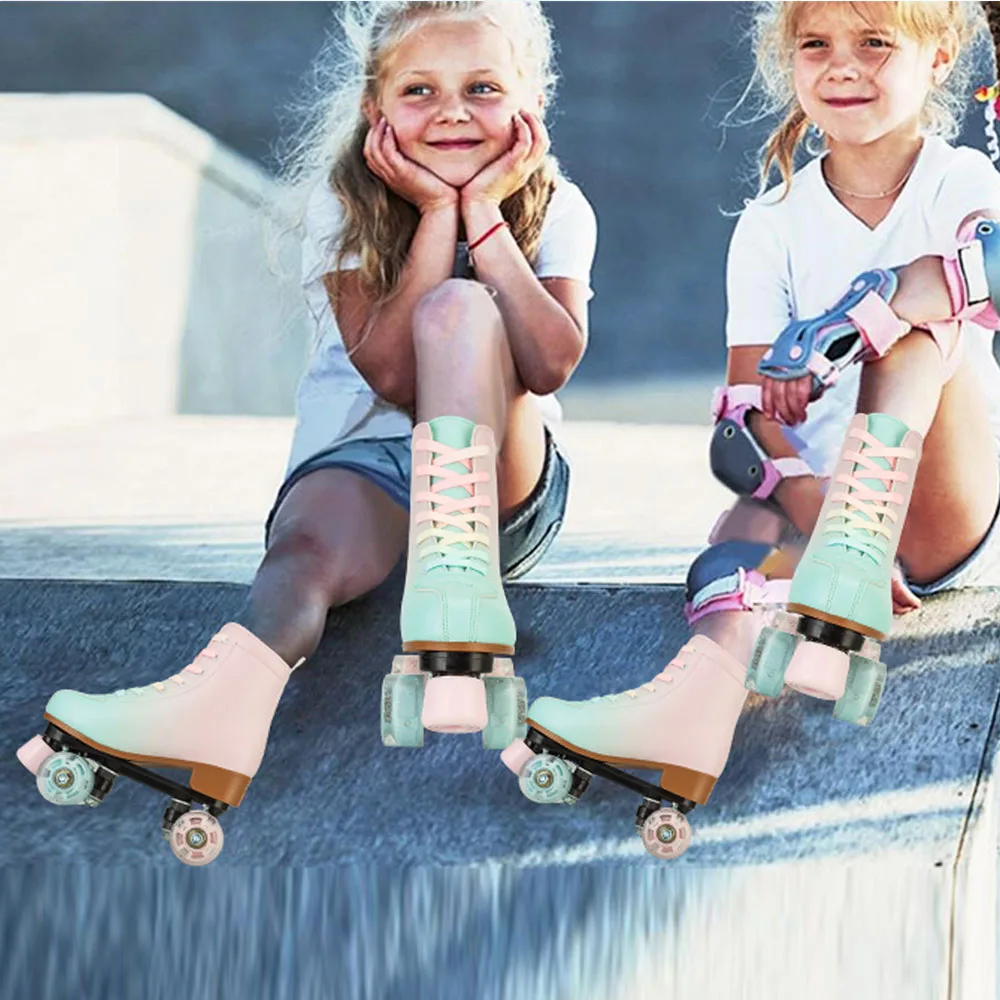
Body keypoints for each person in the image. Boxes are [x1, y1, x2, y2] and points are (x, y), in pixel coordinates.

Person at [16, 0, 597, 865]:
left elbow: (550, 363)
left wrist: (486, 221)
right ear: (375, 110)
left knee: (464, 307)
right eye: (419, 90)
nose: (451, 112)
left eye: (482, 88)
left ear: (527, 108)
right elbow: (393, 376)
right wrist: (436, 215)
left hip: (498, 479)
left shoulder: (561, 206)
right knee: (300, 559)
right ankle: (213, 716)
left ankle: (460, 605)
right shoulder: (345, 204)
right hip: (365, 462)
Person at [503, 0, 1000, 858]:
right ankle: (691, 712)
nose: (842, 66)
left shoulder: (963, 183)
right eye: (816, 45)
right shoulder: (770, 226)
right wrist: (808, 498)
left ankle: (848, 553)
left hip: (938, 498)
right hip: (826, 520)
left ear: (941, 56)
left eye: (875, 43)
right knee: (737, 537)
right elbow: (743, 425)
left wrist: (894, 299)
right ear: (788, 60)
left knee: (917, 319)